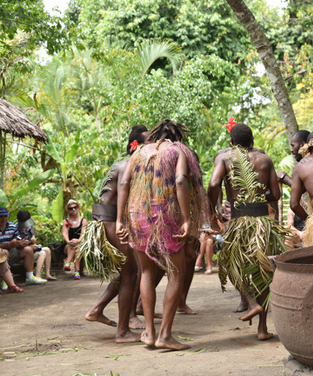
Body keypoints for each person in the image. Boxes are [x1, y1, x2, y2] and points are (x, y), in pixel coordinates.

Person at [116, 119, 207, 350]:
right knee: (175, 274)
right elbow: (180, 181)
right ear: (178, 137)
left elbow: (124, 182)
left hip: (138, 215)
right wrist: (186, 218)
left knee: (146, 272)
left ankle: (149, 332)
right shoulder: (177, 151)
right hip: (166, 214)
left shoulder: (137, 152)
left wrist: (119, 219)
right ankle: (165, 335)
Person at [208, 122, 286, 341]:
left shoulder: (225, 159)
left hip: (239, 221)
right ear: (252, 142)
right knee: (263, 272)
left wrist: (212, 208)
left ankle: (251, 301)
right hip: (263, 222)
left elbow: (214, 184)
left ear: (232, 142)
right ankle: (262, 329)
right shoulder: (265, 160)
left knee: (230, 262)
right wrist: (260, 198)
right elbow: (276, 194)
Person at [84, 125, 150, 343]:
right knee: (131, 274)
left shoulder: (123, 162)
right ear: (137, 145)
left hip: (107, 219)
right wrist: (121, 221)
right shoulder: (131, 162)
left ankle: (96, 310)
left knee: (126, 273)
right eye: (148, 141)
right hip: (111, 220)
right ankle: (122, 332)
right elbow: (123, 186)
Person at [0, 206, 46, 285]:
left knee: (28, 249)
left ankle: (30, 277)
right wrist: (8, 245)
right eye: (0, 217)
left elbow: (17, 240)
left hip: (13, 252)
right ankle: (3, 281)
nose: (3, 219)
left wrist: (21, 244)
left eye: (5, 216)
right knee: (5, 251)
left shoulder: (12, 226)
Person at [16, 210, 56, 281]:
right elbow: (17, 246)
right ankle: (38, 275)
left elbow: (32, 235)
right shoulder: (15, 229)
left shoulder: (29, 226)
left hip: (32, 249)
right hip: (23, 253)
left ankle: (47, 274)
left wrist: (33, 239)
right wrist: (28, 246)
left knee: (47, 250)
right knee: (42, 253)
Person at [62, 200, 87, 279]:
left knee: (77, 246)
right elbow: (65, 233)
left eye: (75, 207)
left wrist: (78, 240)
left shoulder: (83, 220)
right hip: (68, 245)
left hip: (80, 245)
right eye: (71, 208)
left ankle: (68, 263)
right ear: (68, 210)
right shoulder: (66, 221)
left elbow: (83, 233)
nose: (73, 209)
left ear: (78, 208)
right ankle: (77, 272)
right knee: (73, 244)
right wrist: (69, 242)